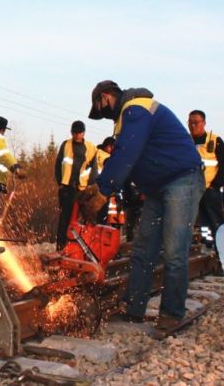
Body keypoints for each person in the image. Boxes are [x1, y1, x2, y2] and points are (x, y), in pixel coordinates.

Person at [88, 80, 204, 330]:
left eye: (100, 107)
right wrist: (103, 186)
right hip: (157, 188)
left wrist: (103, 188)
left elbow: (128, 153)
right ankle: (133, 308)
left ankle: (172, 314)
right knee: (143, 249)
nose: (102, 114)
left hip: (182, 179)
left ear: (106, 97)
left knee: (174, 250)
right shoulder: (127, 118)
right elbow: (124, 157)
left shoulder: (137, 108)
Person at [187, 110, 224, 248]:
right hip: (192, 190)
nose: (193, 126)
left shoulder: (215, 141)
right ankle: (208, 242)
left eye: (196, 123)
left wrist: (216, 185)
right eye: (190, 123)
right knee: (203, 221)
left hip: (210, 189)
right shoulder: (186, 141)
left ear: (204, 123)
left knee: (216, 220)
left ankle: (223, 248)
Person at [54, 120, 98, 249]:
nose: (77, 135)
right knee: (65, 218)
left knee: (88, 218)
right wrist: (60, 183)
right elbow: (58, 164)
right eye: (74, 133)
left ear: (83, 133)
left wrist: (91, 186)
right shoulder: (66, 145)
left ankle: (87, 246)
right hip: (67, 187)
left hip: (83, 189)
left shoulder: (91, 148)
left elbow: (93, 169)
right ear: (72, 133)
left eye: (79, 133)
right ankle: (61, 246)